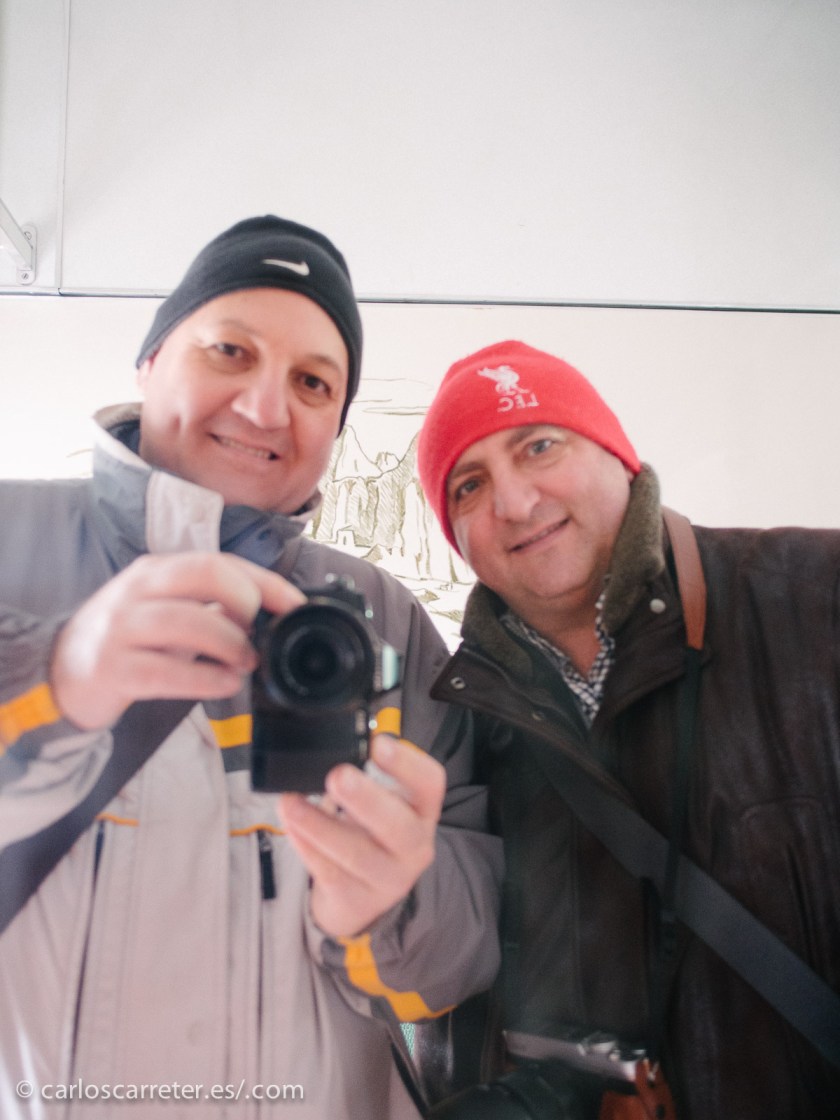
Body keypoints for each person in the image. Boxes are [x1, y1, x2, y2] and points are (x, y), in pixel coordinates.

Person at [0, 216, 502, 1120]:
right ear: (150, 361)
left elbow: (450, 972)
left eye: (314, 382)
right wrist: (59, 678)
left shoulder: (377, 620)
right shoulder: (6, 539)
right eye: (230, 350)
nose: (268, 409)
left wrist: (388, 910)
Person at [415, 339, 840, 1118]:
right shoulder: (460, 722)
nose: (513, 503)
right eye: (469, 486)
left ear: (619, 455)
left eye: (538, 445)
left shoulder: (816, 598)